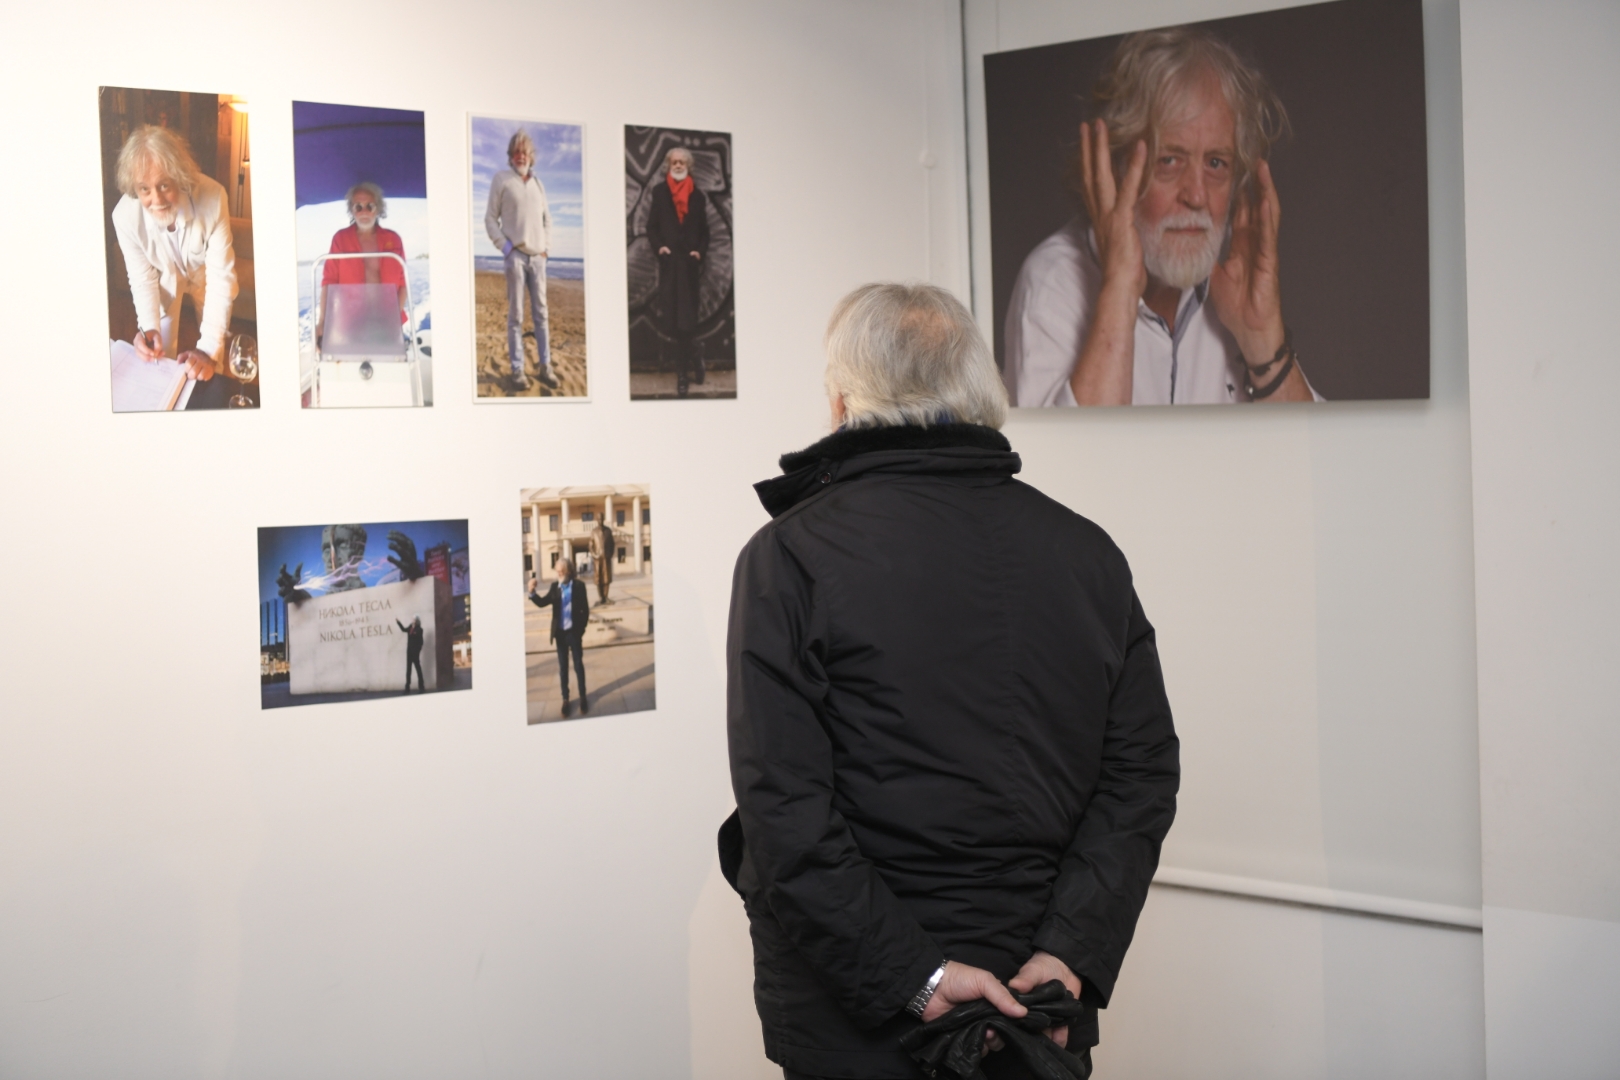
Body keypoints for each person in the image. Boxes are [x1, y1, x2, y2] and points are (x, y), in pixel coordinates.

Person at [722, 283, 1179, 1079]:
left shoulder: (791, 556)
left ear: (843, 400)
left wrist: (919, 978)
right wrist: (1068, 953)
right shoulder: (1087, 553)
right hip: (1035, 1006)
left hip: (863, 1023)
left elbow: (784, 810)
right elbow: (1140, 775)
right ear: (978, 388)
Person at [1003, 26, 1317, 406]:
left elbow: (1321, 446)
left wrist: (1262, 339)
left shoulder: (1232, 293)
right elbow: (1079, 447)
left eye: (1216, 163)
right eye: (1169, 161)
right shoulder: (1053, 282)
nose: (1197, 196)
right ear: (1115, 168)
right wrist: (1120, 288)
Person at [110, 125, 239, 395]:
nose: (156, 199)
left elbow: (221, 279)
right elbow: (142, 278)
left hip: (206, 278)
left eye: (164, 185)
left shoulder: (214, 198)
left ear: (179, 176)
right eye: (144, 189)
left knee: (211, 358)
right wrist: (148, 328)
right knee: (158, 356)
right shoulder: (123, 217)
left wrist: (208, 350)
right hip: (164, 282)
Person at [485, 128, 560, 393]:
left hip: (538, 259)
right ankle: (518, 370)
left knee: (542, 314)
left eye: (524, 152)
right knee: (516, 316)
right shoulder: (501, 179)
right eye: (516, 152)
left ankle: (545, 366)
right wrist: (506, 248)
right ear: (510, 155)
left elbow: (547, 219)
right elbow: (490, 219)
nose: (521, 156)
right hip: (515, 257)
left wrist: (545, 249)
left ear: (531, 156)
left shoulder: (538, 184)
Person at [645, 146, 710, 396]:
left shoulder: (698, 196)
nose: (679, 165)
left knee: (685, 323)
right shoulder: (659, 192)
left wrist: (699, 252)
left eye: (683, 162)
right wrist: (659, 247)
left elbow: (705, 232)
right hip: (670, 265)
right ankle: (695, 352)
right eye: (675, 162)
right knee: (671, 322)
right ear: (669, 165)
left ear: (688, 166)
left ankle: (682, 375)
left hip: (689, 267)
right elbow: (651, 227)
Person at [316, 182, 407, 348]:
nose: (364, 211)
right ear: (352, 210)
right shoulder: (340, 239)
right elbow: (329, 282)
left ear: (378, 209)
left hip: (386, 320)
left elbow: (403, 284)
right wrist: (322, 322)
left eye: (369, 206)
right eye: (358, 207)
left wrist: (392, 320)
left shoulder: (393, 240)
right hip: (349, 322)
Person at [529, 559, 590, 718]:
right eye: (557, 572)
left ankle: (583, 696)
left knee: (578, 665)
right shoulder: (554, 587)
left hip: (574, 634)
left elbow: (585, 610)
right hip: (560, 635)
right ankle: (565, 699)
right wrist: (532, 592)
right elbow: (542, 602)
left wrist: (580, 631)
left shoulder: (579, 586)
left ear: (569, 571)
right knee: (563, 668)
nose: (559, 575)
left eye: (561, 572)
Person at [396, 615, 425, 693]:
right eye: (412, 619)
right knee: (408, 670)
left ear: (416, 621)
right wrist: (398, 622)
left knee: (418, 669)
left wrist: (418, 651)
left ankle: (421, 687)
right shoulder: (410, 627)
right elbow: (403, 629)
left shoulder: (419, 629)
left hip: (415, 652)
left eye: (413, 619)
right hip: (409, 652)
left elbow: (421, 642)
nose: (412, 620)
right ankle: (407, 688)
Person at [592, 520, 615, 605]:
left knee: (606, 578)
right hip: (597, 560)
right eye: (599, 519)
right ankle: (601, 598)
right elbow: (590, 545)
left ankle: (606, 597)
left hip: (606, 558)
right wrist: (594, 555)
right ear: (597, 520)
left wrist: (610, 554)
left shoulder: (608, 531)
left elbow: (612, 543)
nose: (600, 521)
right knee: (598, 579)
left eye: (601, 519)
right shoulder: (594, 531)